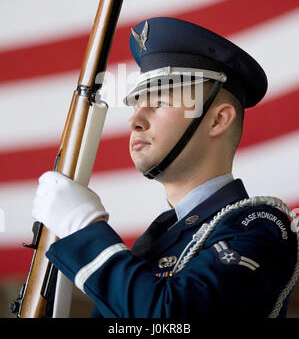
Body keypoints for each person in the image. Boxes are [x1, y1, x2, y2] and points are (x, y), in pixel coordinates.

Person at [32, 17, 298, 318]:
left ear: (218, 120)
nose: (135, 120)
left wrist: (83, 228)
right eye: (136, 106)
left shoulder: (259, 227)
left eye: (158, 102)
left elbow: (169, 318)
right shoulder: (156, 241)